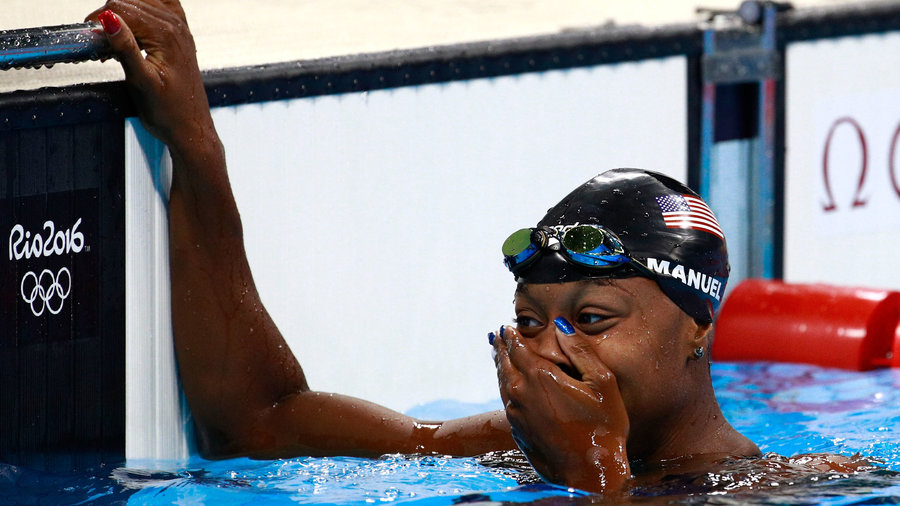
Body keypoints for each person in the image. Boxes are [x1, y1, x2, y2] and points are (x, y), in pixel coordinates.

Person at [86, 0, 874, 496]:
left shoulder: (802, 490)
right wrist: (194, 142)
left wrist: (595, 472)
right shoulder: (507, 447)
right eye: (530, 320)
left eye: (593, 318)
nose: (553, 349)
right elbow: (256, 423)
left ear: (701, 325)